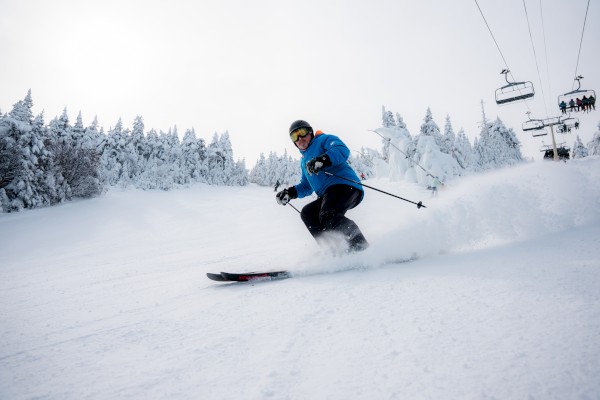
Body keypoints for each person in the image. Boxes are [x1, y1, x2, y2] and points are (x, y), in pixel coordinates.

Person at [275, 120, 369, 253]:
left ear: (310, 132)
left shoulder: (324, 140)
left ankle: (362, 247)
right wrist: (289, 193)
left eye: (302, 132)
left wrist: (323, 159)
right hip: (329, 194)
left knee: (328, 215)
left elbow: (341, 150)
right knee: (308, 213)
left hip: (345, 186)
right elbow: (306, 186)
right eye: (295, 136)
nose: (300, 138)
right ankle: (333, 250)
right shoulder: (304, 161)